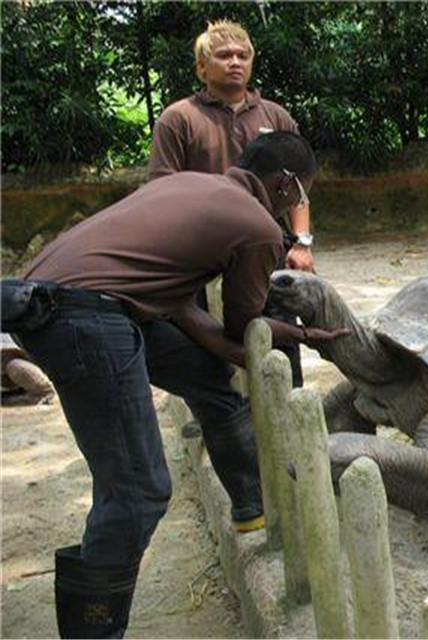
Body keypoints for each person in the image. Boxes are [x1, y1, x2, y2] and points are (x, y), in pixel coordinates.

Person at [10, 132, 347, 639]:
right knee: (139, 490)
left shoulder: (190, 185)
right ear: (286, 185)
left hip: (38, 299)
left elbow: (188, 314)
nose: (300, 205)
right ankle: (93, 631)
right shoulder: (256, 226)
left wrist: (295, 338)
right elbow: (243, 331)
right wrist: (299, 336)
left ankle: (251, 504)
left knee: (205, 377)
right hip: (86, 318)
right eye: (303, 194)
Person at [149, 19, 311, 386]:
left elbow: (298, 185)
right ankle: (222, 423)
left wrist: (302, 242)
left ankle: (288, 409)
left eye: (243, 55)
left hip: (268, 246)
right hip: (200, 252)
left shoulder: (275, 116)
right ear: (202, 67)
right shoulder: (179, 119)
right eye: (223, 55)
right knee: (209, 347)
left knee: (278, 339)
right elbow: (163, 191)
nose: (235, 61)